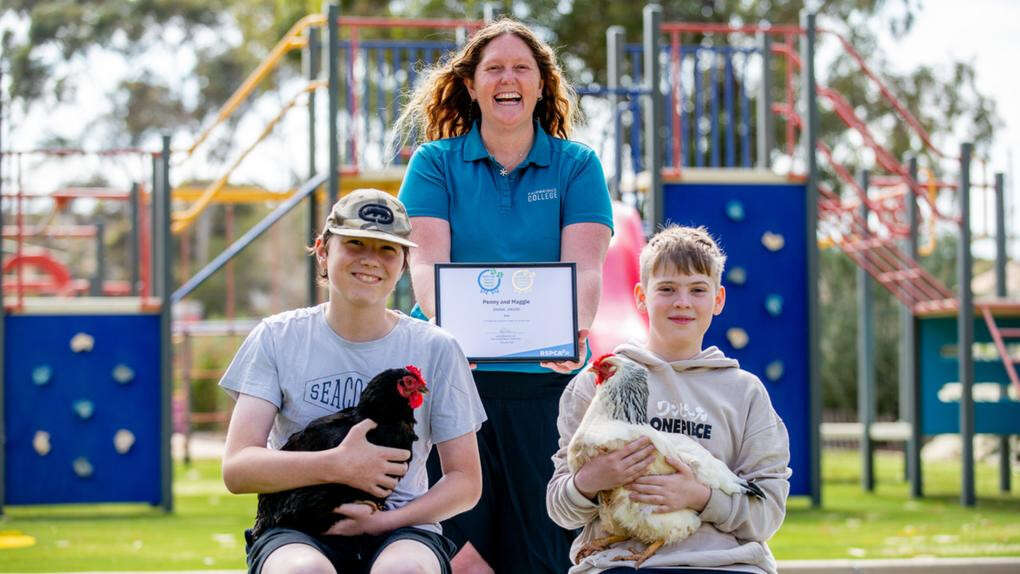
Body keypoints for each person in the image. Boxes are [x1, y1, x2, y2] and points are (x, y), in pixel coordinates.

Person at [394, 17, 614, 574]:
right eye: (493, 68)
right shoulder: (434, 163)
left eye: (522, 67)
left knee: (542, 559)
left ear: (543, 83)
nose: (507, 78)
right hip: (449, 386)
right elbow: (426, 265)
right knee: (462, 560)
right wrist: (462, 335)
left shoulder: (578, 166)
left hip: (548, 389)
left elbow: (585, 271)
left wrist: (574, 327)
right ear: (471, 84)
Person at [219, 188, 486, 574]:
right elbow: (238, 468)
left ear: (404, 263)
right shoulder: (278, 337)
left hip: (401, 525)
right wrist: (337, 464)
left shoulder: (436, 347)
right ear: (324, 251)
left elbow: (465, 482)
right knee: (302, 571)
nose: (370, 259)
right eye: (355, 244)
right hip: (298, 524)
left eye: (387, 249)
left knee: (404, 571)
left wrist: (382, 521)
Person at [546, 225, 791, 574]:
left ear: (718, 300)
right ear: (641, 297)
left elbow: (767, 513)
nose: (682, 301)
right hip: (621, 565)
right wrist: (590, 479)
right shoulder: (596, 384)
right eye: (666, 289)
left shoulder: (745, 393)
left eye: (697, 290)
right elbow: (560, 509)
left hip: (724, 565)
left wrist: (700, 497)